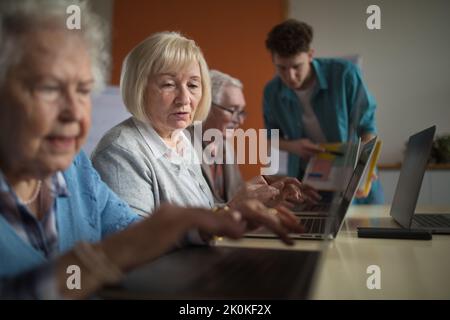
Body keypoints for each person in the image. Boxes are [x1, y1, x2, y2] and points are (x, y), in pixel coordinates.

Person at [0, 0, 300, 299]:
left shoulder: (75, 168)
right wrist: (104, 258)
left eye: (82, 90)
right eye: (49, 88)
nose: (75, 113)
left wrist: (217, 219)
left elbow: (137, 233)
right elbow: (128, 248)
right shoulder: (120, 149)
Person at [91, 32, 305, 232]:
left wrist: (252, 207)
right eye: (168, 84)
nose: (185, 98)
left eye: (193, 85)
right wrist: (232, 210)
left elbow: (204, 215)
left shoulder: (180, 139)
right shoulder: (119, 152)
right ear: (138, 87)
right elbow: (136, 245)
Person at [262, 19, 384, 204]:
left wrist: (366, 166)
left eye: (296, 66)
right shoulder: (272, 91)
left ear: (310, 55)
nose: (290, 76)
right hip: (309, 184)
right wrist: (294, 146)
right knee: (314, 230)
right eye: (282, 68)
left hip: (353, 175)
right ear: (273, 60)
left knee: (365, 230)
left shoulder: (344, 74)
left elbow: (366, 126)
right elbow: (271, 137)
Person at [187, 69, 321, 205]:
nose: (240, 120)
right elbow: (193, 213)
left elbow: (236, 196)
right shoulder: (182, 146)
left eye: (241, 112)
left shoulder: (223, 145)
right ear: (206, 106)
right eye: (233, 110)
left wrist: (274, 194)